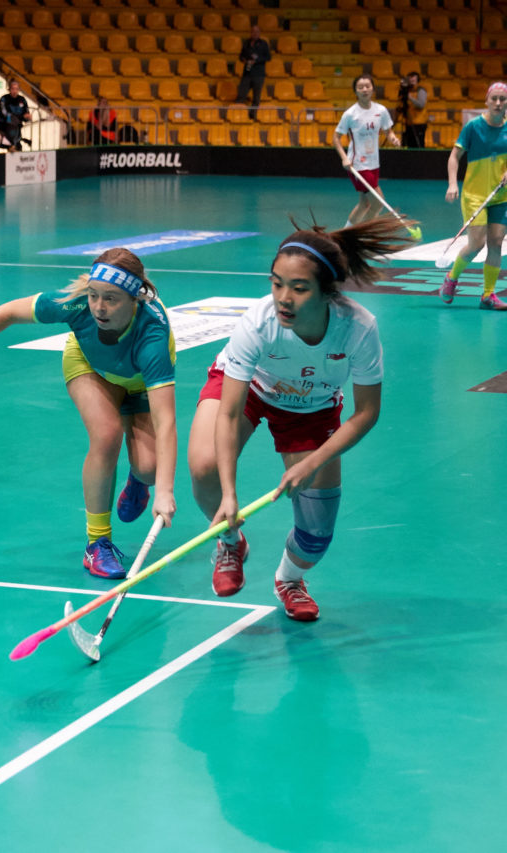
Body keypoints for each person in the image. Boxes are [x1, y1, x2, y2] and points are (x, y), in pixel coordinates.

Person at [187, 218, 410, 620]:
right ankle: (230, 541)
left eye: (299, 288)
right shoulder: (258, 323)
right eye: (277, 284)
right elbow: (230, 412)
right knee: (205, 467)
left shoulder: (358, 329)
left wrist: (312, 462)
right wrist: (230, 494)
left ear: (328, 291)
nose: (283, 299)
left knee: (317, 534)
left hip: (312, 407)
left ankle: (289, 579)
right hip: (251, 389)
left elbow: (367, 412)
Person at [0, 249, 177, 578]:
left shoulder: (153, 335)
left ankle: (138, 481)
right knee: (106, 435)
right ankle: (97, 544)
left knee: (149, 468)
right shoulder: (76, 303)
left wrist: (164, 490)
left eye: (111, 299)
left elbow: (166, 421)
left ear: (134, 298)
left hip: (139, 381)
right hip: (90, 366)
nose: (99, 307)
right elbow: (8, 312)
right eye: (94, 295)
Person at [439, 81, 507, 311]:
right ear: (486, 101)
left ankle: (488, 295)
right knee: (477, 243)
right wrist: (452, 183)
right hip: (475, 196)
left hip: (501, 195)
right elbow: (454, 156)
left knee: (496, 242)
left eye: (502, 99)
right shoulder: (473, 127)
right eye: (494, 98)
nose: (498, 103)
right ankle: (452, 277)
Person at [333, 74, 400, 226]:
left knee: (364, 204)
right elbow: (336, 138)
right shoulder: (350, 114)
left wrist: (393, 138)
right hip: (357, 165)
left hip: (374, 163)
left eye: (367, 86)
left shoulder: (381, 110)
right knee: (378, 202)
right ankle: (362, 233)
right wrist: (344, 158)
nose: (364, 89)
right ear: (355, 91)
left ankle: (345, 233)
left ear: (373, 89)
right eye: (360, 87)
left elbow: (388, 131)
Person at [235, 25, 271, 109]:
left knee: (256, 98)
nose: (255, 33)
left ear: (259, 33)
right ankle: (239, 113)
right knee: (241, 95)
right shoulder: (246, 43)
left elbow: (268, 57)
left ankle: (253, 115)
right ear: (250, 33)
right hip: (247, 73)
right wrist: (243, 60)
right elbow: (241, 56)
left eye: (257, 32)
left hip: (258, 74)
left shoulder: (263, 44)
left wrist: (257, 61)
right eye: (253, 31)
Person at [397, 71, 428, 149]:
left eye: (413, 80)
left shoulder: (420, 90)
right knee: (410, 145)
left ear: (417, 80)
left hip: (419, 123)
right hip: (409, 123)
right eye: (410, 79)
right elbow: (401, 106)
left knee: (418, 145)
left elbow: (421, 105)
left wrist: (410, 98)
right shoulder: (407, 91)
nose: (411, 81)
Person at [0, 80, 29, 151]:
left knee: (17, 143)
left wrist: (26, 117)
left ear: (19, 90)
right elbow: (5, 113)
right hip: (4, 125)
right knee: (11, 122)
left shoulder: (22, 99)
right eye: (13, 89)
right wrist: (20, 117)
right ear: (9, 89)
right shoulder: (4, 98)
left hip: (17, 127)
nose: (14, 91)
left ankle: (15, 144)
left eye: (16, 89)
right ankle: (11, 145)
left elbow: (26, 113)